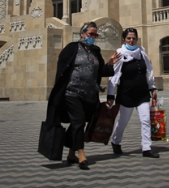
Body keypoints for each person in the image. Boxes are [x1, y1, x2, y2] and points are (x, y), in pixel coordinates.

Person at [44, 21, 120, 170]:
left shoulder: (95, 51)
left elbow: (100, 72)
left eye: (95, 35)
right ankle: (81, 153)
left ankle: (71, 152)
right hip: (72, 93)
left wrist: (110, 64)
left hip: (90, 95)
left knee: (78, 123)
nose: (93, 37)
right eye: (91, 34)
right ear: (83, 33)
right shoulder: (71, 49)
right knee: (78, 121)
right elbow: (62, 70)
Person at [107, 27, 160, 158]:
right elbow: (114, 75)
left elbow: (149, 71)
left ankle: (146, 148)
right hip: (126, 94)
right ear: (124, 39)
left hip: (142, 93)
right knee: (123, 121)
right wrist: (110, 94)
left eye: (134, 38)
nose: (131, 41)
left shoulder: (141, 52)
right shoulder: (120, 53)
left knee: (146, 120)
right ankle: (115, 141)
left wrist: (152, 87)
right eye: (129, 38)